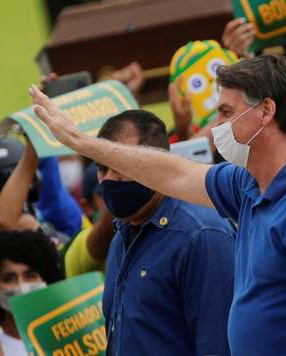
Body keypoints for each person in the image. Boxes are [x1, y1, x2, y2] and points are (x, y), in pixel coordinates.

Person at [28, 54, 286, 356]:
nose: (216, 127)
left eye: (226, 112)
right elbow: (172, 173)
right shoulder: (248, 184)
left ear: (266, 111)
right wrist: (83, 143)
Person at [98, 110, 236, 355]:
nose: (109, 178)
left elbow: (217, 344)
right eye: (102, 168)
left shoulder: (202, 235)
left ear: (157, 162)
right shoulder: (121, 234)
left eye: (120, 165)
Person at [0, 229, 63, 356]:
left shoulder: (65, 336)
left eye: (30, 276)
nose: (21, 286)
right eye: (8, 279)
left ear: (46, 280)